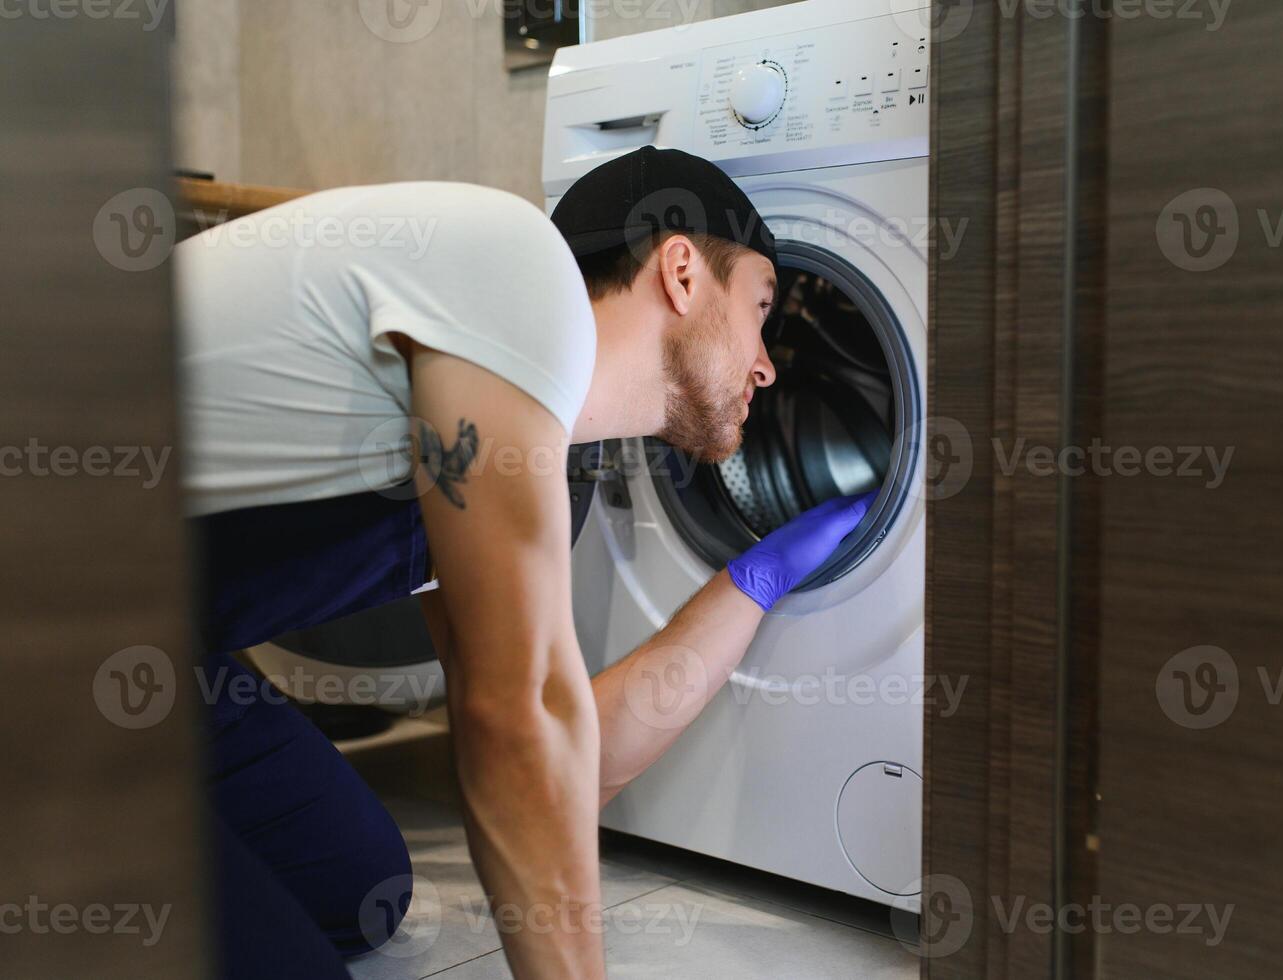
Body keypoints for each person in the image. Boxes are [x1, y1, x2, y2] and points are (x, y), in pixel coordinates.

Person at [176, 146, 878, 978]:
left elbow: (550, 751)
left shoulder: (521, 439)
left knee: (353, 884)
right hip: (44, 625)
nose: (766, 362)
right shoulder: (514, 269)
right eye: (761, 307)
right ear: (682, 272)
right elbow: (518, 721)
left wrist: (751, 582)